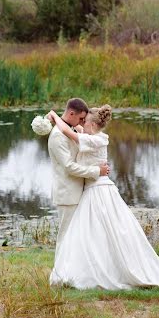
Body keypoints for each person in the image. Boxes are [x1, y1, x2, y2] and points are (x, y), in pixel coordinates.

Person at [48, 106, 159, 290]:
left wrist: (53, 116)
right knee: (94, 232)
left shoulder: (96, 140)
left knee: (105, 230)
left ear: (92, 123)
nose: (81, 124)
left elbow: (66, 130)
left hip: (98, 189)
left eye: (85, 121)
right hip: (92, 188)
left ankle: (107, 269)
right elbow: (74, 130)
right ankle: (90, 266)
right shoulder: (92, 136)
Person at [47, 98, 110, 257]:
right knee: (65, 235)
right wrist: (96, 171)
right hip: (67, 193)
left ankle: (73, 272)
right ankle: (60, 275)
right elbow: (69, 167)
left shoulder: (75, 130)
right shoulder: (57, 136)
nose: (82, 123)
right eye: (81, 118)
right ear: (71, 113)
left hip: (81, 192)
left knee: (77, 236)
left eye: (85, 120)